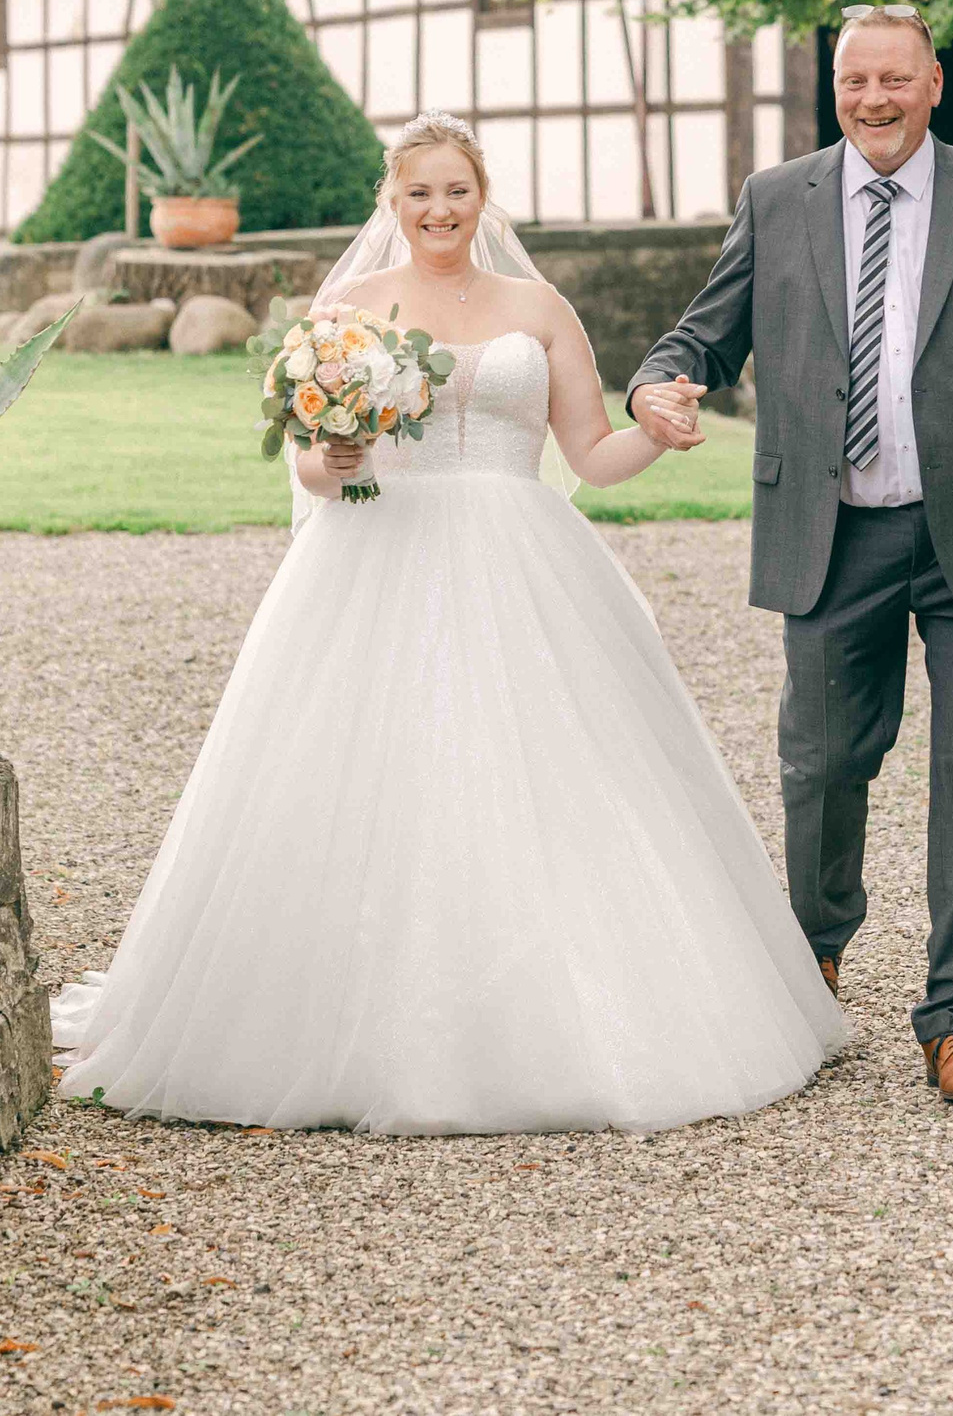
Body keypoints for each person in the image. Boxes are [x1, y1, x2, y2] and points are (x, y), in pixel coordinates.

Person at [50, 111, 846, 1134]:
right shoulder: (348, 306)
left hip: (526, 560)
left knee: (553, 781)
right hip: (378, 555)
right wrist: (331, 462)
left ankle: (573, 1016)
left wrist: (658, 432)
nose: (438, 210)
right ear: (392, 201)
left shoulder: (536, 304)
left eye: (456, 191)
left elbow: (591, 455)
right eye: (419, 192)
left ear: (483, 198)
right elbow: (306, 460)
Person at [628, 6, 953, 1105]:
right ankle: (815, 950)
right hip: (832, 531)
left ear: (934, 84)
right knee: (824, 764)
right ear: (832, 89)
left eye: (895, 79)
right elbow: (707, 328)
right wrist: (660, 375)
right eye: (855, 81)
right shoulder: (778, 199)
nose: (875, 100)